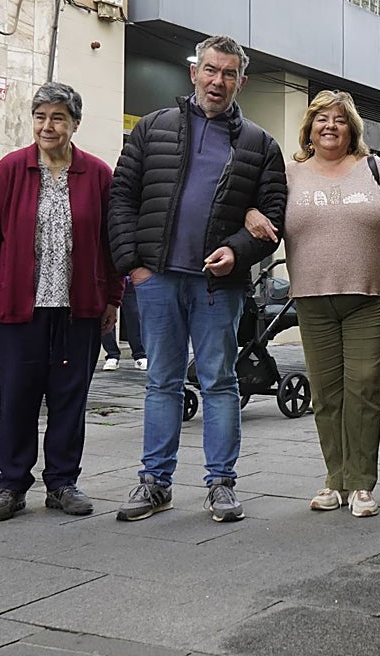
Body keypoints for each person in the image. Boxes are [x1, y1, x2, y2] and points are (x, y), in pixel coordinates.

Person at [108, 34, 287, 523]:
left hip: (217, 287)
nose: (217, 81)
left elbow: (273, 218)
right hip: (158, 279)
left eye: (229, 73)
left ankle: (222, 484)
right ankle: (154, 483)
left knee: (220, 382)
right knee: (162, 381)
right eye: (210, 70)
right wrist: (135, 268)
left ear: (241, 81)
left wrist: (238, 251)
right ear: (194, 73)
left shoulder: (259, 144)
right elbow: (121, 198)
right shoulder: (152, 128)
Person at [0, 82, 122, 522]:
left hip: (79, 312)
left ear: (75, 124)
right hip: (20, 310)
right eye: (40, 117)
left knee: (69, 400)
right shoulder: (12, 169)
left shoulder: (97, 175)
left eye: (58, 118)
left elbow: (111, 245)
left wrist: (112, 299)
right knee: (17, 399)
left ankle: (62, 483)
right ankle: (11, 486)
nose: (47, 126)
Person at [282, 90, 380, 516]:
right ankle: (335, 479)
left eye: (339, 119)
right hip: (311, 297)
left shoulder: (375, 169)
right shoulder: (290, 174)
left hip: (369, 296)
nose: (330, 126)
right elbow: (264, 212)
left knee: (363, 388)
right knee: (326, 394)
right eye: (322, 119)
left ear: (352, 129)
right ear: (309, 128)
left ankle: (361, 483)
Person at [101, 276, 146, 370]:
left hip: (129, 280)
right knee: (106, 317)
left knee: (134, 317)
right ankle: (112, 355)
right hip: (109, 281)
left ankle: (140, 355)